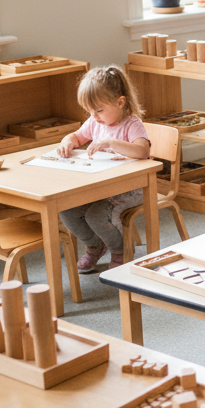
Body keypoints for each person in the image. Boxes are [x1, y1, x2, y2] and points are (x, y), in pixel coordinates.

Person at [57, 66, 151, 272]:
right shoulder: (95, 122)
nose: (94, 116)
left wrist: (111, 143)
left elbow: (143, 151)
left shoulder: (131, 123)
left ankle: (120, 251)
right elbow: (76, 136)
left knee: (96, 216)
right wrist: (67, 141)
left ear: (120, 102)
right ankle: (95, 246)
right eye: (90, 111)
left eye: (99, 110)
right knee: (66, 209)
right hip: (102, 187)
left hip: (131, 189)